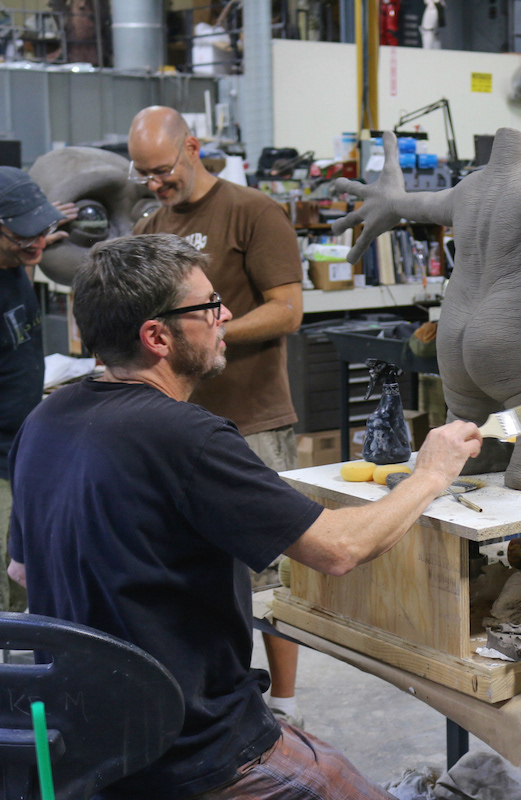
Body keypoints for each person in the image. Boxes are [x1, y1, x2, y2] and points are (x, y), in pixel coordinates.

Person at [7, 233, 482, 800]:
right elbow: (337, 549)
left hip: (91, 751)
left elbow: (23, 573)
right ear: (157, 337)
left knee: (321, 755)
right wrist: (431, 473)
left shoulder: (45, 417)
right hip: (196, 751)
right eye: (209, 306)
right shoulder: (187, 437)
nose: (226, 315)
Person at [129, 106, 308, 727]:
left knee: (270, 569)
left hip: (251, 417)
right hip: (171, 425)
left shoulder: (251, 211)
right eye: (144, 175)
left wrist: (213, 329)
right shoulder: (151, 224)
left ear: (193, 148)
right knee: (196, 568)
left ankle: (284, 709)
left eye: (162, 170)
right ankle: (220, 700)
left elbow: (288, 310)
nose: (156, 185)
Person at [0, 167, 69, 615]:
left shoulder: (15, 263)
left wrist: (36, 234)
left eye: (42, 229)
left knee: (23, 572)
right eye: (22, 234)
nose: (37, 243)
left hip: (21, 446)